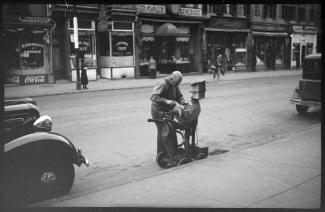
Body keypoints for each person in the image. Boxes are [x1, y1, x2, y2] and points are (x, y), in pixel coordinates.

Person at [150, 71, 186, 159]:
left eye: (178, 83)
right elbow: (153, 97)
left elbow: (179, 95)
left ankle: (169, 152)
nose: (176, 85)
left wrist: (182, 101)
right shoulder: (163, 84)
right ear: (171, 78)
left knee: (170, 130)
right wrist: (166, 101)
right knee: (164, 131)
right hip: (158, 111)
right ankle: (167, 154)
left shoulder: (174, 85)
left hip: (168, 111)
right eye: (176, 83)